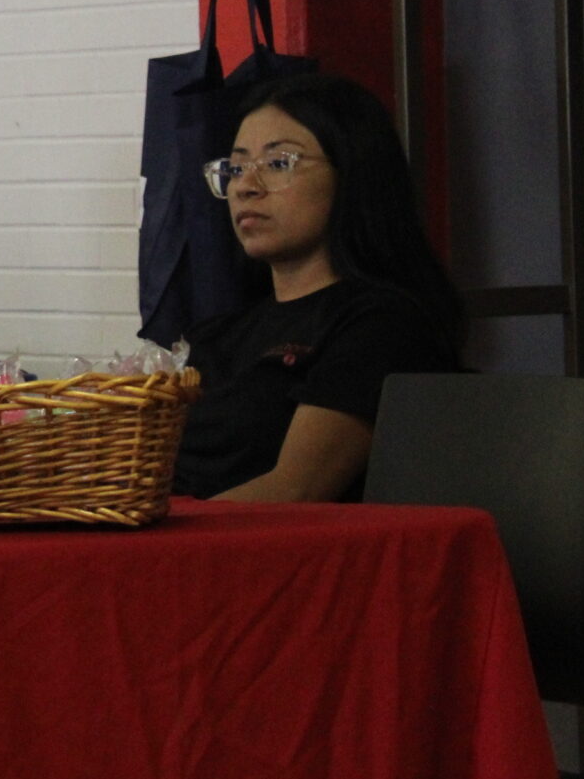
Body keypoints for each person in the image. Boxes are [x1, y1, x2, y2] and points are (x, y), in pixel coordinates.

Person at [171, 71, 462, 502]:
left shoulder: (381, 326)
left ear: (353, 173)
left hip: (272, 558)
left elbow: (293, 490)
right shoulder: (215, 334)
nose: (246, 187)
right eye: (235, 167)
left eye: (279, 163)